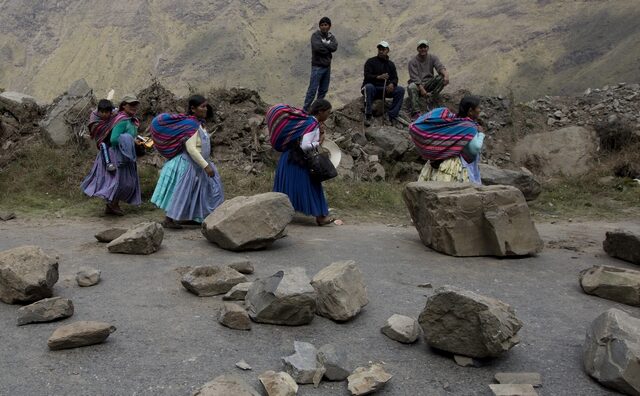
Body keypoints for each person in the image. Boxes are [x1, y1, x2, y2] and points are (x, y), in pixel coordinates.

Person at [150, 95, 224, 229]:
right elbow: (191, 149)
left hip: (199, 166)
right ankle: (169, 219)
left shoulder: (200, 124)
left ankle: (195, 217)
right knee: (181, 191)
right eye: (202, 106)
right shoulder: (191, 125)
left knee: (200, 192)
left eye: (206, 106)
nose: (205, 109)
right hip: (189, 165)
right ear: (193, 109)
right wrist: (206, 166)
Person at [272, 99, 335, 226]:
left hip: (288, 158)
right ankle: (321, 217)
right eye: (328, 112)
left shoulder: (306, 121)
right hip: (297, 160)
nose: (328, 115)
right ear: (320, 111)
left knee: (287, 186)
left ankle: (279, 214)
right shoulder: (312, 124)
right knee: (312, 186)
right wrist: (319, 142)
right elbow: (305, 145)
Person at [81, 95, 142, 215]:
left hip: (123, 154)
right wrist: (130, 140)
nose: (134, 107)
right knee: (118, 181)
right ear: (124, 106)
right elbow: (114, 139)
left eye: (135, 105)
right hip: (116, 155)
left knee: (120, 181)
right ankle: (112, 204)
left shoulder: (130, 119)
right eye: (131, 104)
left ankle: (112, 206)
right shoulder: (122, 120)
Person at [410, 95, 484, 184]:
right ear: (471, 111)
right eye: (478, 108)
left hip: (436, 164)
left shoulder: (452, 121)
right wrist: (481, 134)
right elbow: (475, 148)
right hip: (451, 167)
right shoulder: (469, 126)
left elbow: (416, 125)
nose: (480, 110)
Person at [361, 41, 405, 127]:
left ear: (387, 50)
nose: (381, 51)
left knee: (400, 90)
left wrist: (392, 84)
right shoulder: (370, 62)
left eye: (383, 49)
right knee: (368, 87)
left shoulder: (390, 64)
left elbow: (395, 78)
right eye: (379, 49)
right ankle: (368, 116)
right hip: (372, 88)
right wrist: (378, 77)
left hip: (385, 89)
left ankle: (392, 115)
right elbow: (367, 76)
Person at [302, 17, 338, 112]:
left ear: (329, 26)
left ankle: (316, 110)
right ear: (319, 26)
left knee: (323, 90)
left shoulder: (331, 36)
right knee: (312, 90)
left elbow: (334, 47)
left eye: (326, 25)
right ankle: (305, 110)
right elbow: (318, 48)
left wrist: (325, 45)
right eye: (322, 25)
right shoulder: (315, 35)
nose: (324, 27)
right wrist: (328, 47)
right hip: (317, 67)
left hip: (327, 67)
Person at [407, 40, 449, 120]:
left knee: (441, 77)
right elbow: (414, 77)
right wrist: (422, 89)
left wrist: (446, 76)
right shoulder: (412, 62)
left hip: (429, 82)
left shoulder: (433, 58)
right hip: (418, 84)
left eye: (424, 47)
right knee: (411, 86)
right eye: (421, 47)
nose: (423, 49)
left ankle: (432, 99)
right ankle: (415, 112)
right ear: (417, 49)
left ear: (427, 48)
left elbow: (440, 67)